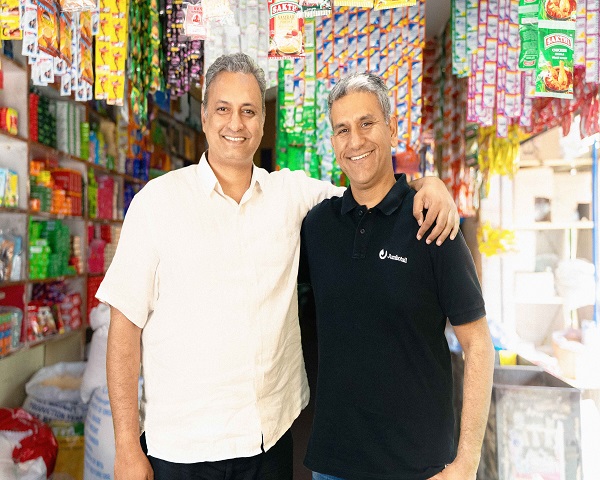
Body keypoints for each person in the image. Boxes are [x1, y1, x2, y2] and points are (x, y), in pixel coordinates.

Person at [96, 53, 460, 480]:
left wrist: (427, 184)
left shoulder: (290, 195)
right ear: (204, 116)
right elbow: (124, 328)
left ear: (263, 120)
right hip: (182, 449)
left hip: (269, 440)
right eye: (223, 109)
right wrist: (126, 446)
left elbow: (369, 190)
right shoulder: (157, 204)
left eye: (249, 110)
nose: (236, 123)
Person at [299, 72, 495, 480]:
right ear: (333, 142)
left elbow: (478, 345)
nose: (355, 141)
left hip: (418, 467)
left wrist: (466, 463)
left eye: (366, 123)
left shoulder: (432, 220)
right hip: (334, 465)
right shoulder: (317, 226)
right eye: (342, 129)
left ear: (391, 127)